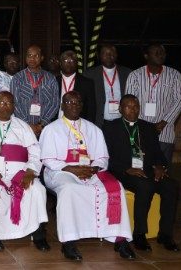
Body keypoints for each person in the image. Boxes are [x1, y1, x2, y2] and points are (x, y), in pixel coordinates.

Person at [40, 91, 134, 261]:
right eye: (69, 103)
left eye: (77, 103)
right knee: (70, 189)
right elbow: (47, 159)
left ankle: (119, 238)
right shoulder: (51, 129)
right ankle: (68, 242)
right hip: (60, 172)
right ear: (62, 106)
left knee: (116, 187)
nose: (74, 106)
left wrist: (93, 168)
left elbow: (102, 158)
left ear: (82, 106)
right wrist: (71, 169)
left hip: (90, 171)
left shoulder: (93, 129)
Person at [0, 91, 49, 252]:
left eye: (8, 103)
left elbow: (35, 153)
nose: (4, 106)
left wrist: (30, 171)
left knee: (38, 189)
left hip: (20, 173)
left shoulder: (24, 127)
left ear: (14, 106)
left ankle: (39, 233)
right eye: (1, 102)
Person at [103, 94, 180, 251]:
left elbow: (158, 152)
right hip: (124, 171)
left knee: (171, 185)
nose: (133, 109)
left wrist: (160, 166)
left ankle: (165, 234)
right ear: (120, 108)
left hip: (147, 170)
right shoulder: (110, 128)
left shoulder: (147, 127)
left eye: (136, 106)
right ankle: (139, 234)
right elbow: (105, 157)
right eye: (128, 106)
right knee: (145, 186)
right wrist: (126, 169)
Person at [125, 44, 181, 164]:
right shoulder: (135, 75)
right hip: (140, 133)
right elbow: (129, 103)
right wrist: (143, 127)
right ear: (146, 56)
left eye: (162, 53)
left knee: (162, 171)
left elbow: (179, 100)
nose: (160, 55)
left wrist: (163, 123)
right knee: (140, 169)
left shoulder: (174, 75)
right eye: (156, 52)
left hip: (165, 132)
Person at [9, 45, 60, 138]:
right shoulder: (17, 78)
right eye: (29, 55)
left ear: (41, 58)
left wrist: (41, 124)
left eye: (36, 56)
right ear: (26, 58)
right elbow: (15, 104)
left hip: (45, 128)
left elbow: (55, 104)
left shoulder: (50, 78)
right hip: (22, 128)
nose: (32, 58)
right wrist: (28, 125)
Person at [85, 44, 131, 127]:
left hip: (122, 122)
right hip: (99, 122)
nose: (109, 56)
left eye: (112, 53)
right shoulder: (90, 74)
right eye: (105, 53)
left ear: (116, 55)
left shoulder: (127, 73)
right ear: (99, 56)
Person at [56, 50, 96, 121]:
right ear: (60, 64)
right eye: (65, 60)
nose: (69, 63)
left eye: (72, 60)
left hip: (79, 124)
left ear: (76, 63)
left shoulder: (87, 83)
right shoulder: (54, 81)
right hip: (56, 122)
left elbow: (91, 108)